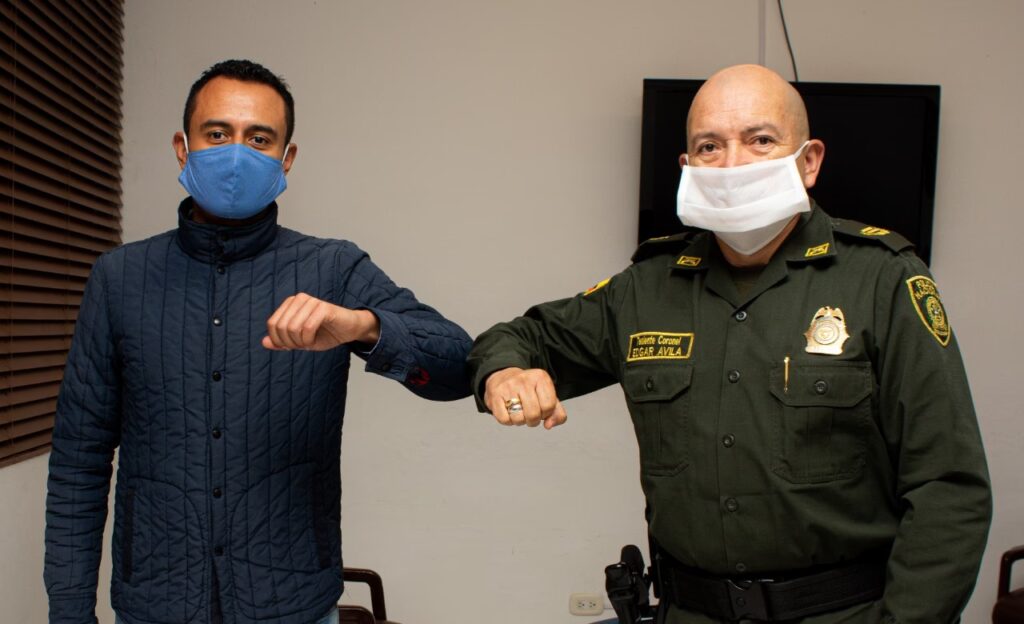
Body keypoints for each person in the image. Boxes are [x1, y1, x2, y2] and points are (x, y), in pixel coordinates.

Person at [468, 64, 991, 623]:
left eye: (760, 140)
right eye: (710, 147)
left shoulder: (882, 280)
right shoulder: (646, 287)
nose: (733, 164)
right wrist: (505, 372)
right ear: (688, 168)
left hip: (842, 612)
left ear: (809, 161)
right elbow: (518, 338)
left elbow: (949, 487)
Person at [44, 59, 472, 624]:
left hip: (293, 604)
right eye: (217, 134)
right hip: (155, 603)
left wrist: (365, 327)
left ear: (286, 158)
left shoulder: (333, 268)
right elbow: (78, 461)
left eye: (259, 138)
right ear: (183, 147)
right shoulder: (119, 278)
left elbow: (458, 365)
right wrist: (69, 613)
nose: (236, 154)